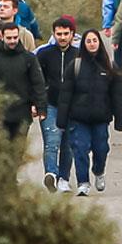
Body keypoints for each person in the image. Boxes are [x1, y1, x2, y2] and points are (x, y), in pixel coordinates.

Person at [56, 29, 122, 197]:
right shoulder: (76, 65)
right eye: (88, 41)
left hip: (101, 118)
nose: (92, 44)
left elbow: (117, 95)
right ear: (83, 44)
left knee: (101, 148)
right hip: (78, 118)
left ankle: (98, 170)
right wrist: (62, 119)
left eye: (94, 40)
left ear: (100, 43)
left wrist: (120, 119)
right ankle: (83, 182)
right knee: (80, 149)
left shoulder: (110, 66)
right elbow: (65, 94)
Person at [0, 22, 47, 142]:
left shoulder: (29, 58)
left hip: (22, 112)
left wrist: (41, 108)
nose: (12, 41)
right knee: (1, 150)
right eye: (9, 38)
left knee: (18, 151)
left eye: (15, 37)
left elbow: (38, 83)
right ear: (2, 37)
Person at [36, 17, 80, 193]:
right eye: (58, 34)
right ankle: (51, 174)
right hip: (50, 104)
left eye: (65, 34)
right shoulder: (44, 54)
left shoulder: (79, 55)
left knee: (68, 145)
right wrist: (37, 103)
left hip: (73, 106)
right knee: (52, 141)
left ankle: (64, 178)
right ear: (53, 34)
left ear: (72, 35)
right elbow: (36, 80)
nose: (62, 37)